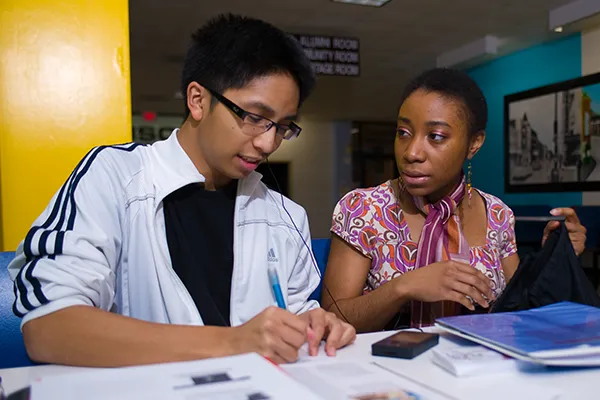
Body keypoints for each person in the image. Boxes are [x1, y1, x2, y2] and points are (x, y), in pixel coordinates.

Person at [8, 14, 355, 367]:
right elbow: (50, 328)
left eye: (282, 127)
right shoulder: (115, 177)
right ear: (198, 100)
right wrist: (233, 341)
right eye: (253, 117)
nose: (268, 143)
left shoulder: (285, 216)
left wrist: (313, 325)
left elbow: (293, 313)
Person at [322, 68, 587, 333]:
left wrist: (555, 256)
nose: (412, 152)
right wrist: (404, 287)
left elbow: (517, 311)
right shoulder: (364, 209)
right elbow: (334, 318)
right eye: (403, 132)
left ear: (474, 143)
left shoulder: (497, 214)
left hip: (478, 368)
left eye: (435, 137)